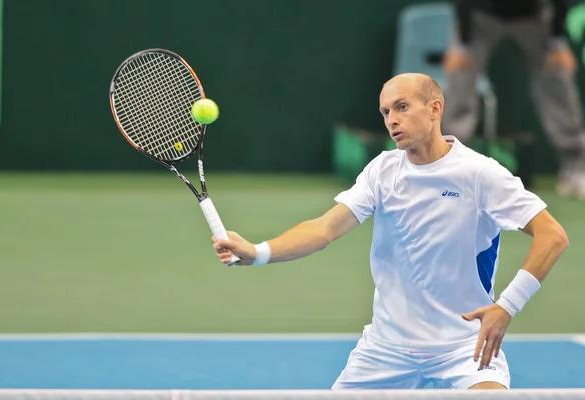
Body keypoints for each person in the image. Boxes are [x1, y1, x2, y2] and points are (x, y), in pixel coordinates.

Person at [212, 73, 569, 390]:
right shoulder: (383, 171)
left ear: (434, 108)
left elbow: (552, 235)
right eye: (385, 113)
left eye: (401, 107)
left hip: (464, 349)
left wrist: (506, 306)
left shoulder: (480, 174)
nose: (392, 120)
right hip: (386, 350)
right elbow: (324, 229)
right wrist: (259, 252)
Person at [442, 0, 585, 200]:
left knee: (556, 79)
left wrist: (557, 41)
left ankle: (577, 169)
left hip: (533, 17)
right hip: (479, 18)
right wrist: (463, 46)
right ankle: (447, 170)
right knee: (460, 79)